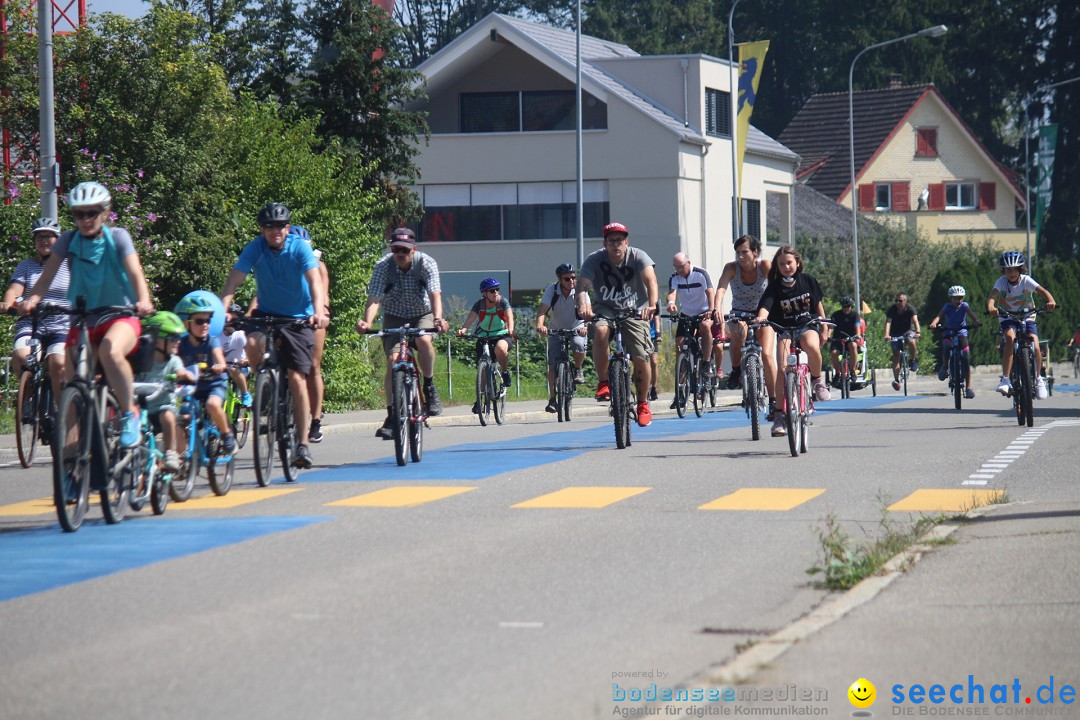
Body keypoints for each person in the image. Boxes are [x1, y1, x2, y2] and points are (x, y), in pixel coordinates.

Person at [19, 182, 154, 448]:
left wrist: (144, 300)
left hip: (121, 315)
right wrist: (33, 299)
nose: (85, 219)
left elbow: (136, 272)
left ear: (106, 212)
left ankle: (130, 415)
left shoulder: (118, 237)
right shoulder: (68, 240)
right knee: (72, 384)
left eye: (91, 212)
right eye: (79, 214)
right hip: (83, 319)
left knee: (109, 350)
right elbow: (47, 276)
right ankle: (70, 459)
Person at [220, 202, 329, 468]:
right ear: (261, 229)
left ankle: (302, 444)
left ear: (287, 228)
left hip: (299, 317)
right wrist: (222, 309)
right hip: (267, 312)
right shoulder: (255, 247)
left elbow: (315, 281)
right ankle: (265, 385)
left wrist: (317, 311)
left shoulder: (299, 247)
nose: (274, 230)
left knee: (296, 376)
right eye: (269, 226)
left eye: (280, 225)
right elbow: (235, 279)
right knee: (251, 341)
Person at [354, 227, 446, 440]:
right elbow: (375, 298)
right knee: (393, 360)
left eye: (405, 250)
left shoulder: (426, 263)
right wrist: (367, 322)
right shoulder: (383, 266)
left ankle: (429, 385)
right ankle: (393, 415)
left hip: (422, 313)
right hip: (394, 315)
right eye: (396, 249)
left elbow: (435, 294)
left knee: (423, 340)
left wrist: (439, 319)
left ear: (414, 249)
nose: (400, 254)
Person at [576, 221, 658, 427]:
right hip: (606, 307)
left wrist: (653, 305)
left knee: (641, 357)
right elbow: (582, 287)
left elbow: (651, 281)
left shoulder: (638, 256)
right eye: (611, 241)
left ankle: (642, 404)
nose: (616, 245)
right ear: (605, 243)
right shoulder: (594, 259)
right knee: (601, 330)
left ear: (626, 242)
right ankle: (604, 382)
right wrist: (583, 305)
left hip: (634, 309)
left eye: (620, 241)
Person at [754, 244, 829, 437]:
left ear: (797, 263)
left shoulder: (808, 281)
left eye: (789, 262)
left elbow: (818, 306)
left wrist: (824, 327)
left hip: (807, 326)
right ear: (777, 267)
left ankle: (817, 380)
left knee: (812, 345)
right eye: (781, 264)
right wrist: (761, 318)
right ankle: (779, 416)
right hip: (785, 330)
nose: (786, 267)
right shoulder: (774, 288)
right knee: (782, 369)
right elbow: (766, 307)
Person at [1, 218, 70, 403]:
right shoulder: (26, 265)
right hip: (32, 321)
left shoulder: (68, 264)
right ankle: (31, 402)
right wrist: (8, 303)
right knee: (21, 356)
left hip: (61, 323)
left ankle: (61, 412)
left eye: (49, 236)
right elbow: (15, 290)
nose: (44, 240)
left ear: (58, 239)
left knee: (58, 362)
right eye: (39, 236)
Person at [715, 234, 776, 411]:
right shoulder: (732, 268)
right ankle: (736, 370)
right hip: (740, 312)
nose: (740, 257)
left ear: (755, 252)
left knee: (767, 354)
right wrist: (717, 308)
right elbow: (721, 288)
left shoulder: (764, 266)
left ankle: (773, 400)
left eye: (744, 252)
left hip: (763, 313)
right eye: (737, 253)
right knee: (738, 332)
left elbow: (775, 287)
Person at [987, 250, 1057, 399]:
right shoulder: (1001, 281)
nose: (1011, 273)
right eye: (1008, 270)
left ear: (1020, 268)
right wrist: (991, 307)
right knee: (1010, 340)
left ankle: (1038, 379)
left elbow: (1043, 291)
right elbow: (993, 295)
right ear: (1004, 270)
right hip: (1007, 316)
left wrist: (1050, 301)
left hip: (1027, 315)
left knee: (1036, 345)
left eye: (1014, 269)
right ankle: (1005, 379)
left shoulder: (1026, 280)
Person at [174, 295, 237, 455]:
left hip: (213, 383)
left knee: (212, 405)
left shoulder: (211, 341)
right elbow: (173, 361)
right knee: (180, 419)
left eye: (208, 321)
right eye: (199, 321)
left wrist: (219, 365)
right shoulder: (181, 344)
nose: (205, 325)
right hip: (192, 387)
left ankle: (227, 435)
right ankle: (180, 460)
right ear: (186, 323)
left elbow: (219, 359)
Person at [136, 311, 195, 472]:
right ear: (157, 339)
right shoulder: (140, 360)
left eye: (178, 338)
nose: (178, 342)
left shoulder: (174, 361)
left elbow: (180, 371)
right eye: (173, 338)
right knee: (134, 433)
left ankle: (170, 453)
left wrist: (184, 375)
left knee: (168, 416)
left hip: (163, 407)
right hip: (143, 410)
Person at [535, 263, 589, 413]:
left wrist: (586, 326)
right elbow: (542, 311)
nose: (571, 281)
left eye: (573, 277)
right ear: (559, 279)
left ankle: (578, 369)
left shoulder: (580, 290)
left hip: (577, 327)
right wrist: (540, 325)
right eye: (567, 279)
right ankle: (552, 399)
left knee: (578, 345)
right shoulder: (551, 290)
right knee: (552, 365)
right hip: (556, 329)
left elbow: (588, 311)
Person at [665, 252, 715, 408]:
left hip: (703, 311)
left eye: (681, 266)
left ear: (688, 263)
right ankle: (680, 391)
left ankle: (706, 363)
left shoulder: (701, 273)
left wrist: (711, 310)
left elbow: (710, 292)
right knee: (680, 345)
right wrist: (671, 303)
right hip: (686, 313)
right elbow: (672, 294)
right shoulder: (674, 277)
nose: (679, 270)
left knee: (705, 327)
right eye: (676, 267)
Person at [458, 277, 515, 413]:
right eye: (492, 290)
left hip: (502, 334)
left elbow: (509, 317)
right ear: (484, 293)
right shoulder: (480, 304)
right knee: (482, 370)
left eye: (497, 289)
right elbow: (470, 319)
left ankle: (505, 372)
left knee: (500, 348)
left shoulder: (502, 301)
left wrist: (511, 329)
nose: (495, 292)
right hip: (484, 336)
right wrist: (463, 330)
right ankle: (480, 401)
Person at [928, 285, 981, 399]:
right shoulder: (946, 307)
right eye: (955, 298)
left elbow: (972, 315)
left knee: (966, 357)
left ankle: (969, 387)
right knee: (947, 346)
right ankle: (945, 366)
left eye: (960, 298)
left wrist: (976, 321)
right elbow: (939, 316)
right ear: (950, 298)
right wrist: (934, 323)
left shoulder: (965, 306)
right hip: (949, 331)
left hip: (962, 332)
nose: (958, 300)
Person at [883, 293, 921, 391]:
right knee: (896, 356)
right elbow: (888, 322)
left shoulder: (910, 309)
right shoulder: (892, 310)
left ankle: (912, 361)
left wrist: (918, 332)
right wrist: (887, 335)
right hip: (895, 333)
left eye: (900, 301)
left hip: (908, 331)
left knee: (911, 341)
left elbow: (915, 321)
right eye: (896, 301)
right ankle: (896, 380)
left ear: (905, 301)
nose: (897, 303)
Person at [827, 297, 861, 387]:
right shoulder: (835, 315)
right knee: (834, 353)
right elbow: (831, 327)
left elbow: (857, 327)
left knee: (853, 346)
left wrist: (857, 335)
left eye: (848, 306)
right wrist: (828, 335)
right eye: (844, 306)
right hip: (838, 339)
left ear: (851, 306)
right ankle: (838, 373)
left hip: (850, 338)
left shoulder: (855, 315)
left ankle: (852, 370)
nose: (846, 308)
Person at [218, 319, 251, 408]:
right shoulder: (218, 336)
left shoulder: (240, 335)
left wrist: (246, 359)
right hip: (223, 367)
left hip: (240, 367)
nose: (232, 325)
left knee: (233, 370)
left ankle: (245, 394)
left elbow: (249, 349)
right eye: (229, 323)